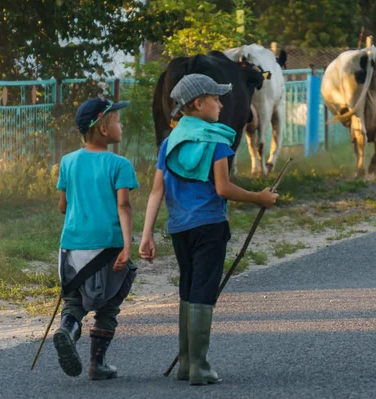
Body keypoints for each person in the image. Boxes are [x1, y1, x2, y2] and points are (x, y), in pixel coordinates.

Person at [139, 73, 278, 385]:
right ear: (198, 103)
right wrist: (259, 198)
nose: (221, 103)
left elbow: (156, 192)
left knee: (188, 287)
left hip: (179, 228)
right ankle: (200, 367)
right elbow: (223, 188)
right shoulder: (216, 140)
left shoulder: (169, 143)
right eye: (215, 98)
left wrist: (147, 234)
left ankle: (186, 363)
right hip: (210, 226)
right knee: (204, 290)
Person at [54, 97, 139, 380]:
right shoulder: (120, 164)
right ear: (103, 129)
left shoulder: (67, 161)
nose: (121, 124)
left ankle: (67, 329)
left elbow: (63, 207)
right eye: (116, 120)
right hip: (108, 246)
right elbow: (123, 207)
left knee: (74, 302)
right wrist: (127, 246)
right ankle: (97, 363)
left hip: (71, 248)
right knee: (110, 303)